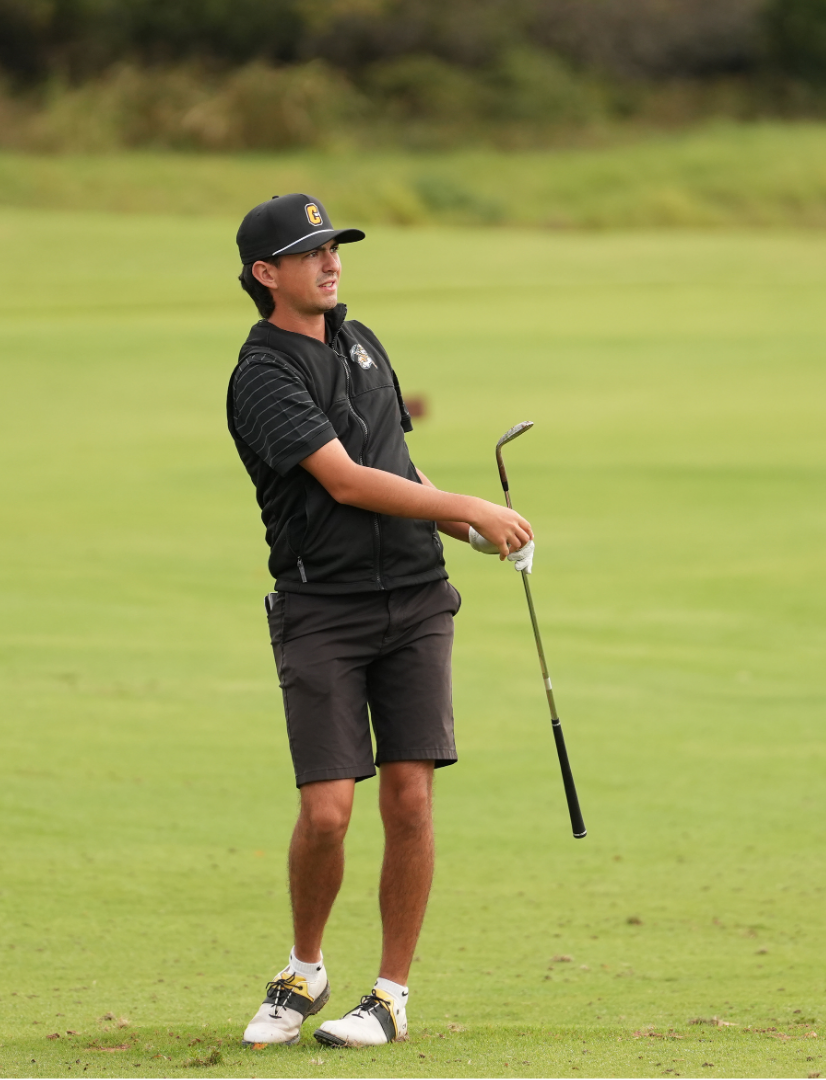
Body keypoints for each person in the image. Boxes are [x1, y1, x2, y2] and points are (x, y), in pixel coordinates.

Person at [224, 194, 533, 1049]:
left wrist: (464, 530)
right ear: (266, 273)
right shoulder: (263, 375)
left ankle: (390, 995)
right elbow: (347, 480)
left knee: (410, 797)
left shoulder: (363, 343)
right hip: (323, 607)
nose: (331, 262)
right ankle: (305, 969)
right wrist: (466, 501)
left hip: (415, 599)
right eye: (310, 252)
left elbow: (396, 461)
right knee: (327, 810)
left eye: (334, 248)